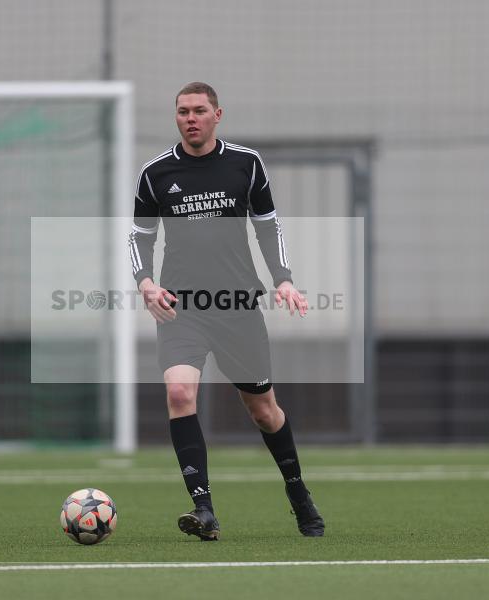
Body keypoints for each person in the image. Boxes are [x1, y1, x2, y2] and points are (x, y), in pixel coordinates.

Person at [128, 82, 324, 540]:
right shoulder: (155, 173)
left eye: (199, 110)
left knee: (263, 411)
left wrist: (283, 279)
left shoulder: (246, 164)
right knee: (180, 393)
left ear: (217, 115)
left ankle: (299, 494)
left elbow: (268, 227)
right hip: (182, 307)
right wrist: (146, 283)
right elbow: (139, 236)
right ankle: (204, 510)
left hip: (237, 306)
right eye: (183, 111)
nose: (190, 119)